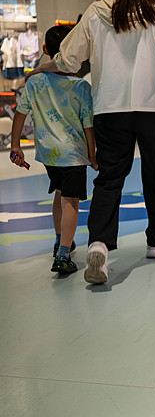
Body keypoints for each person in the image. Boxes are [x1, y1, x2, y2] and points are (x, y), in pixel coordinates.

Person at [25, 0, 155, 285]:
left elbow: (69, 59)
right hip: (153, 109)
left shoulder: (96, 13)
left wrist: (46, 66)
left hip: (109, 108)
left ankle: (100, 245)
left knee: (109, 179)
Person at [9, 26, 97, 274]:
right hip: (74, 154)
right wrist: (93, 155)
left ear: (45, 49)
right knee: (71, 201)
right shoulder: (80, 86)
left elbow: (20, 114)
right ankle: (63, 255)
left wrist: (15, 145)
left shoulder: (35, 82)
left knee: (60, 193)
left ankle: (60, 240)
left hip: (49, 154)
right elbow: (88, 125)